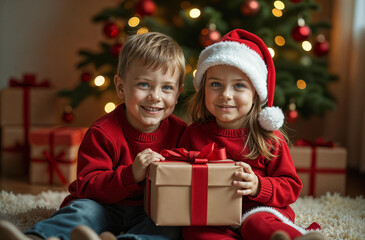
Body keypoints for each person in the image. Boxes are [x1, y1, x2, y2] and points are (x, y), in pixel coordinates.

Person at [0, 31, 187, 240]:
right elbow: (88, 186)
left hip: (150, 212)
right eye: (144, 84)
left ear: (178, 94)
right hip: (104, 205)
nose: (155, 96)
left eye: (167, 88)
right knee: (84, 211)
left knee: (171, 225)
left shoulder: (181, 132)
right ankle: (38, 237)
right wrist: (131, 174)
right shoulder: (103, 132)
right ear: (120, 87)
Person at [179, 29, 326, 240]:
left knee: (259, 225)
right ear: (203, 89)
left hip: (257, 210)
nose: (226, 95)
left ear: (256, 93)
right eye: (215, 84)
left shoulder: (269, 138)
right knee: (196, 232)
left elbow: (290, 187)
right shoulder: (193, 134)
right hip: (212, 214)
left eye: (239, 85)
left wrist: (259, 186)